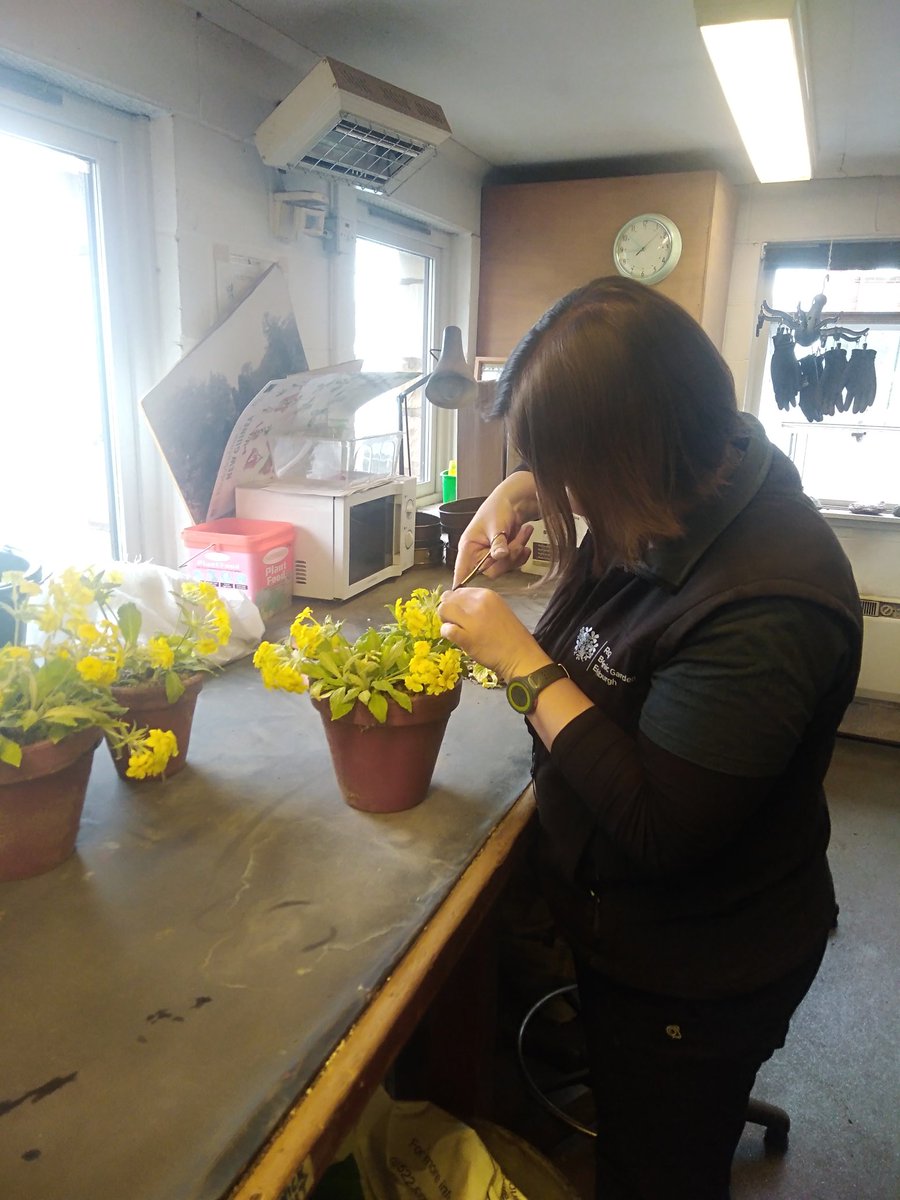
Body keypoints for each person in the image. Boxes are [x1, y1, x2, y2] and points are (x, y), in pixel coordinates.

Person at [437, 277, 863, 1200]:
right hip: (614, 928)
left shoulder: (768, 604)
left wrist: (519, 660)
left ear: (636, 457)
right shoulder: (698, 470)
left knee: (656, 1173)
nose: (568, 499)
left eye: (573, 473)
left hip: (697, 969)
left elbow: (659, 825)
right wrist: (519, 488)